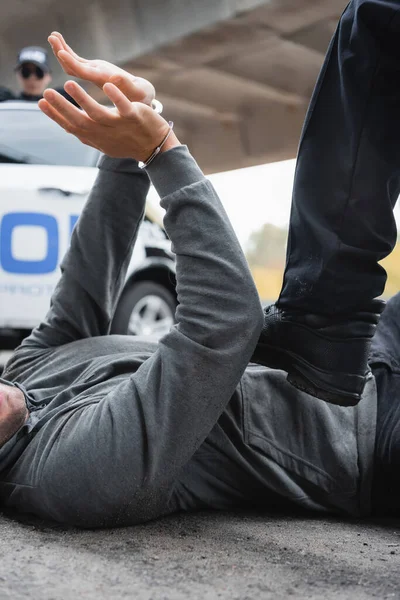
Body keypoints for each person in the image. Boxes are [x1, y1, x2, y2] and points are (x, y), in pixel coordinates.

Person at [0, 0, 398, 528]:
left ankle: (325, 327)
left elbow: (86, 282)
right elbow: (223, 327)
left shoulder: (22, 375)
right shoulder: (65, 475)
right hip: (372, 435)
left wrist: (129, 129)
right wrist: (162, 152)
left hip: (366, 344)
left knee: (373, 18)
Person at [0, 45, 78, 105]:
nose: (32, 78)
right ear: (18, 75)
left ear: (48, 77)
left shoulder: (60, 101)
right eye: (26, 72)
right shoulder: (6, 103)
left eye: (39, 72)